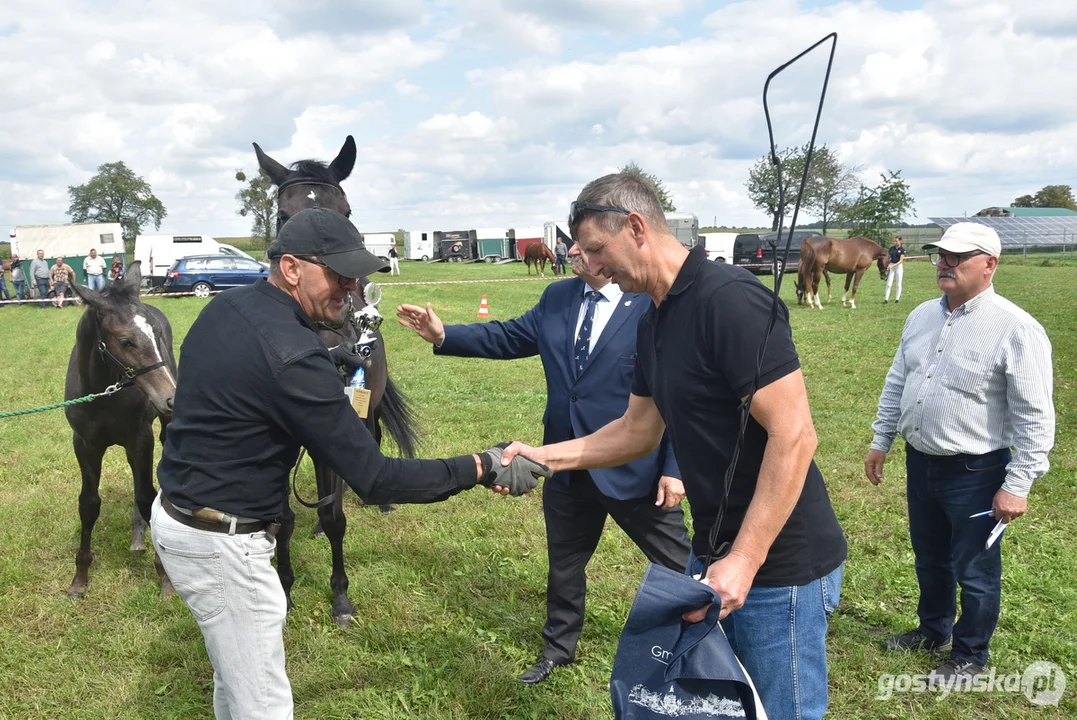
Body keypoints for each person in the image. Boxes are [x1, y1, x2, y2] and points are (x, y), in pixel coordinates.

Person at [150, 207, 548, 719]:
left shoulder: (227, 309)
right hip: (224, 545)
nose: (351, 288)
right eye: (338, 274)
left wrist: (330, 364)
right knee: (264, 706)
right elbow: (376, 480)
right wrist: (482, 465)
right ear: (291, 268)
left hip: (180, 515)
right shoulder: (293, 353)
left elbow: (246, 381)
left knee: (235, 680)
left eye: (356, 276)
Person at [499, 173, 847, 719]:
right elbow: (637, 431)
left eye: (597, 249)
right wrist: (546, 456)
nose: (593, 265)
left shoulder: (729, 301)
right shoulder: (653, 317)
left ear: (635, 227)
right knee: (723, 707)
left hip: (778, 563)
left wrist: (744, 560)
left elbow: (795, 434)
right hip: (712, 551)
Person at [397, 244, 692, 685]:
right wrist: (444, 335)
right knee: (565, 564)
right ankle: (559, 647)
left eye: (586, 243)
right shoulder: (558, 296)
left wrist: (676, 466)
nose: (572, 249)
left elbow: (681, 396)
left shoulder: (652, 303)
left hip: (637, 467)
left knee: (678, 564)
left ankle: (701, 642)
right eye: (572, 240)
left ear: (609, 251)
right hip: (564, 460)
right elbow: (509, 336)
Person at [865, 222, 1054, 686]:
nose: (944, 264)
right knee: (929, 557)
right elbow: (898, 381)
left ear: (990, 264)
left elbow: (1035, 414)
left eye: (957, 256)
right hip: (920, 460)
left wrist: (1018, 484)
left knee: (975, 570)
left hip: (977, 470)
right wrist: (881, 438)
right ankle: (934, 631)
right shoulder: (922, 316)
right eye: (940, 255)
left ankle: (971, 655)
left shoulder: (1016, 328)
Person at [884, 235, 905, 304]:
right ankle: (886, 299)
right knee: (889, 284)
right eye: (894, 241)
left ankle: (897, 299)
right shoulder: (891, 248)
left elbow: (901, 260)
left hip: (898, 266)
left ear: (900, 241)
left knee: (898, 284)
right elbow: (888, 257)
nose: (894, 242)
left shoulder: (902, 249)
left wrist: (893, 266)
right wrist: (888, 265)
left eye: (896, 241)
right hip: (891, 265)